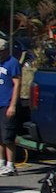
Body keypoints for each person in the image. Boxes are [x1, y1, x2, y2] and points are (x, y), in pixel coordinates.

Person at [0, 38, 20, 176]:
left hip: (7, 104)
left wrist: (12, 105)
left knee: (8, 136)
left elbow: (17, 84)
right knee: (0, 138)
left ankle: (10, 165)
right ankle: (1, 163)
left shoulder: (12, 63)